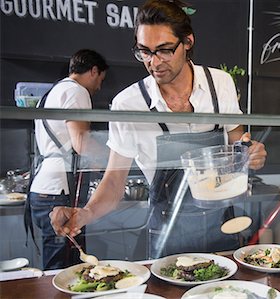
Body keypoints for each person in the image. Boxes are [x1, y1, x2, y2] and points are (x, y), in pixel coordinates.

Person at [50, 0, 267, 258]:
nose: (154, 62)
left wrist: (250, 154)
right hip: (168, 235)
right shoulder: (129, 104)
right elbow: (114, 181)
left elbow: (237, 148)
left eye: (164, 50)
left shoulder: (220, 84)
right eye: (145, 51)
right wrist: (85, 213)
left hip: (222, 225)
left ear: (187, 42)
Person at [26, 49, 108, 269]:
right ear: (93, 71)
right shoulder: (76, 91)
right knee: (63, 271)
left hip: (44, 188)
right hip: (58, 193)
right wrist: (112, 161)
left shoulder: (53, 92)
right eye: (100, 79)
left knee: (62, 267)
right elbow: (81, 143)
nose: (99, 87)